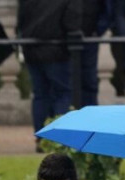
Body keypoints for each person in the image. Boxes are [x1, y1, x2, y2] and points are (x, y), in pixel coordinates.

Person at [18, 0, 81, 133]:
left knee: (40, 95)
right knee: (62, 94)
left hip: (32, 50)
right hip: (57, 51)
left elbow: (20, 23)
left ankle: (41, 136)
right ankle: (59, 135)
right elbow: (71, 23)